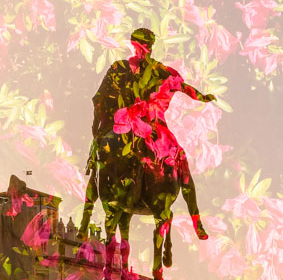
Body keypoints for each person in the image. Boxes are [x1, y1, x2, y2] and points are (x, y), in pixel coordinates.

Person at [91, 27, 217, 239]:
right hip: (128, 120)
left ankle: (196, 219)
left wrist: (202, 96)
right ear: (134, 44)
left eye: (148, 45)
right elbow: (101, 97)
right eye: (141, 45)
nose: (145, 50)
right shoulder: (120, 68)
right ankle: (96, 195)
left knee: (180, 158)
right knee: (103, 151)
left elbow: (183, 87)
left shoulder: (159, 70)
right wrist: (99, 127)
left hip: (153, 124)